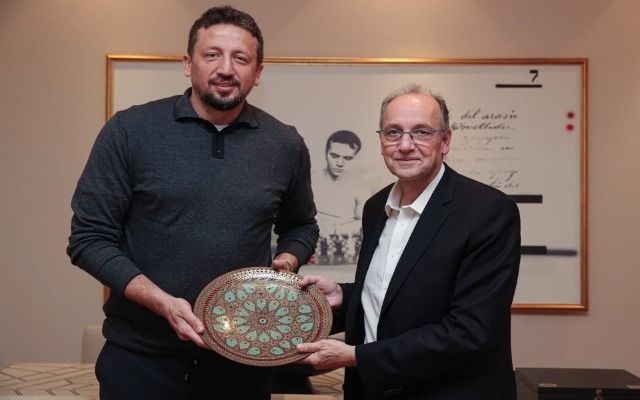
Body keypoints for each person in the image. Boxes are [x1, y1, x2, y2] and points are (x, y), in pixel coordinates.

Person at [67, 6, 318, 400]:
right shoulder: (129, 131)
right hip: (140, 359)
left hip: (242, 364)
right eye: (212, 54)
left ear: (258, 72)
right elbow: (88, 239)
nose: (226, 69)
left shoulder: (284, 143)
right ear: (188, 64)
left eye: (241, 58)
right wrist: (162, 303)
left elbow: (301, 225)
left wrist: (285, 264)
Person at [297, 84, 521, 399]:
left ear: (446, 140)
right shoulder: (376, 207)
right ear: (381, 141)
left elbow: (470, 332)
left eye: (421, 132)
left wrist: (356, 356)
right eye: (393, 132)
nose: (405, 145)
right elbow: (398, 292)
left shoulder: (488, 211)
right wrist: (344, 295)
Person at [313, 130, 372, 265]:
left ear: (355, 158)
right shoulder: (310, 181)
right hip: (307, 249)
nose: (339, 163)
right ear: (326, 154)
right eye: (334, 156)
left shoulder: (361, 189)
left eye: (347, 158)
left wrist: (336, 227)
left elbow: (365, 225)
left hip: (341, 254)